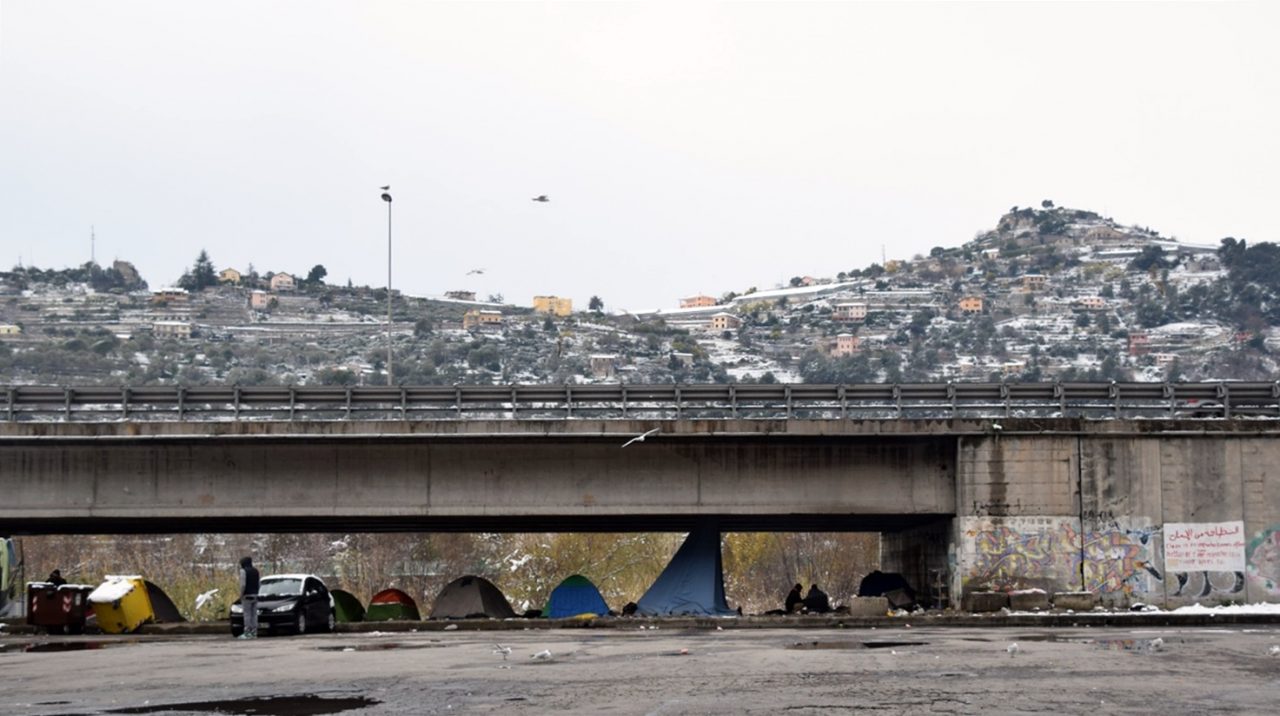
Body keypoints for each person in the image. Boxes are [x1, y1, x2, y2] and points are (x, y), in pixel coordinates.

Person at [238, 556, 260, 639]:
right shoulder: (256, 571)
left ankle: (247, 632)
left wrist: (241, 594)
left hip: (247, 595)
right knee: (254, 614)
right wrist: (257, 592)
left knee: (247, 614)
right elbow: (259, 583)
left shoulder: (243, 571)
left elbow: (243, 584)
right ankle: (254, 632)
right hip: (255, 595)